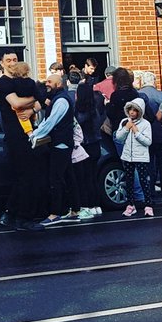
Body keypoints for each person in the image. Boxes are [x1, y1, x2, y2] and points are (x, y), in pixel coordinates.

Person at [0, 58, 43, 229]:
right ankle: (23, 218)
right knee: (26, 177)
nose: (12, 63)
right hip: (15, 135)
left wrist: (31, 108)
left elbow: (38, 103)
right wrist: (32, 100)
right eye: (8, 60)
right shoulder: (4, 84)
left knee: (25, 177)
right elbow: (16, 103)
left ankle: (11, 214)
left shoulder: (20, 83)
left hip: (25, 134)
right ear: (2, 63)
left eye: (15, 59)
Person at [29, 69, 79, 225]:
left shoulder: (61, 100)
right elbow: (48, 121)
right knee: (68, 177)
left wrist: (34, 135)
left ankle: (55, 213)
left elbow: (51, 122)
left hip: (61, 143)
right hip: (62, 142)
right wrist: (36, 132)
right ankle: (75, 209)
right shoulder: (58, 99)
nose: (47, 84)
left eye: (50, 82)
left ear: (58, 84)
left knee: (55, 178)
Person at [73, 57, 107, 218]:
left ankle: (87, 205)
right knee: (93, 176)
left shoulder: (80, 112)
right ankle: (97, 205)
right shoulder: (96, 107)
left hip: (84, 145)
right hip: (95, 142)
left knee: (84, 177)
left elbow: (78, 123)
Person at [116, 97, 154, 217]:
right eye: (130, 110)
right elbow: (119, 137)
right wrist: (126, 128)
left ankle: (148, 205)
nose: (132, 112)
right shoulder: (124, 121)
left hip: (141, 157)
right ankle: (130, 205)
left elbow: (148, 141)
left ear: (140, 111)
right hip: (127, 156)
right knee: (129, 181)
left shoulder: (145, 124)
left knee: (143, 180)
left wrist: (136, 132)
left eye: (135, 110)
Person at [137, 71, 162, 200]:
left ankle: (149, 191)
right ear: (154, 81)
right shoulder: (160, 95)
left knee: (148, 164)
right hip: (160, 133)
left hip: (145, 134)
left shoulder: (139, 95)